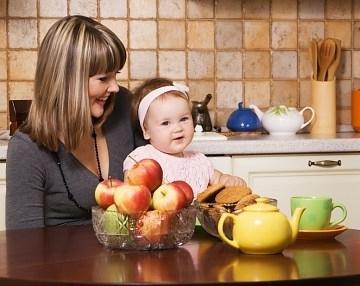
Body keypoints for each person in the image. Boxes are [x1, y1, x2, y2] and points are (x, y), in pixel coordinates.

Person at [6, 15, 145, 229]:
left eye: (115, 75)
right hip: (63, 263)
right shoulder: (27, 148)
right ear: (69, 81)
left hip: (131, 259)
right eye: (103, 78)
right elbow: (23, 246)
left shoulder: (123, 106)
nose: (115, 87)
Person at [123, 78, 246, 197]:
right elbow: (130, 193)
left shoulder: (198, 160)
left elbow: (218, 179)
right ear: (146, 130)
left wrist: (227, 180)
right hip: (159, 217)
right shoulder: (142, 159)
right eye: (166, 123)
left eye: (183, 119)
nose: (178, 128)